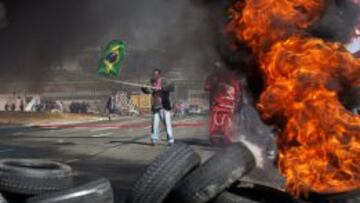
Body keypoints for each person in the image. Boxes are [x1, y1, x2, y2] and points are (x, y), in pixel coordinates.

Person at [142, 69, 175, 146]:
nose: (155, 76)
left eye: (156, 74)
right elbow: (147, 91)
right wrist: (144, 88)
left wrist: (162, 88)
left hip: (164, 106)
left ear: (159, 75)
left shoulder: (165, 81)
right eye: (154, 74)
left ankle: (170, 139)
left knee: (167, 124)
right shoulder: (151, 82)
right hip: (156, 106)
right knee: (155, 124)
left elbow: (172, 87)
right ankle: (154, 139)